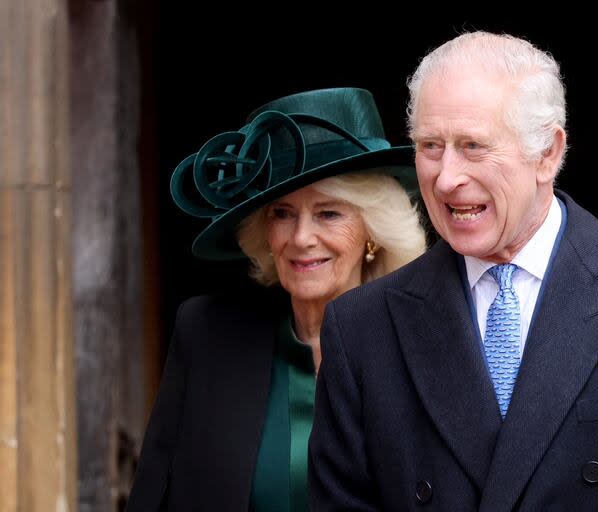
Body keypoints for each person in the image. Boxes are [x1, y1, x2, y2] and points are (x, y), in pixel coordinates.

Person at [308, 32, 598, 511]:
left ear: (548, 152)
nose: (446, 178)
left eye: (473, 146)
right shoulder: (360, 326)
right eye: (430, 146)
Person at [125, 88, 427, 511]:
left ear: (372, 231)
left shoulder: (426, 345)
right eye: (282, 213)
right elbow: (152, 499)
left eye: (329, 213)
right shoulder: (207, 334)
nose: (302, 238)